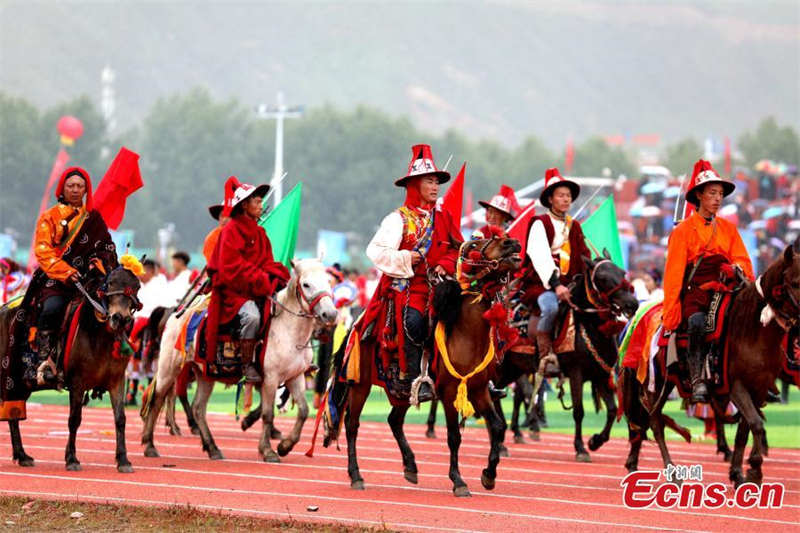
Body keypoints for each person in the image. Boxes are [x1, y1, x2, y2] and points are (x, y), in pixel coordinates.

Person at [364, 144, 463, 402]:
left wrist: (447, 264)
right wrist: (407, 257)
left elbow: (457, 249)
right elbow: (375, 251)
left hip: (441, 284)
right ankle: (414, 377)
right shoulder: (398, 219)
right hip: (410, 286)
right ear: (414, 185)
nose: (435, 187)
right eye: (429, 181)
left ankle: (470, 374)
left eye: (436, 182)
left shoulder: (445, 218)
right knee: (415, 320)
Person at [663, 160, 754, 402]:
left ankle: (756, 376)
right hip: (697, 292)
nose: (718, 199)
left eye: (721, 194)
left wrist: (736, 268)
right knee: (696, 321)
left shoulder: (729, 229)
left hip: (726, 289)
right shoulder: (682, 232)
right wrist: (671, 313)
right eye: (712, 193)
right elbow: (673, 276)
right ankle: (697, 379)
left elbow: (744, 262)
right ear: (699, 195)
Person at [27, 167, 117, 387]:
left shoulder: (94, 218)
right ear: (62, 188)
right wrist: (66, 272)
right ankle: (44, 361)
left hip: (88, 282)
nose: (75, 190)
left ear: (86, 190)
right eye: (71, 186)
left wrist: (101, 264)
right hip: (56, 281)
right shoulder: (49, 217)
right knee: (53, 308)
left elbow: (107, 248)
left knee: (111, 309)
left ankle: (108, 363)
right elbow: (43, 251)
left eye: (79, 186)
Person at [205, 180, 290, 383]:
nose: (261, 205)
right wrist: (260, 278)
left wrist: (273, 275)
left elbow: (268, 261)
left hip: (259, 288)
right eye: (258, 201)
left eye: (262, 202)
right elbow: (231, 267)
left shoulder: (260, 232)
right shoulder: (231, 231)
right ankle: (246, 364)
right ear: (244, 205)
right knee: (252, 316)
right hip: (235, 293)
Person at [522, 167, 591, 386]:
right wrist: (556, 285)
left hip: (571, 286)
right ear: (550, 199)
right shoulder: (539, 223)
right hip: (543, 286)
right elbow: (540, 257)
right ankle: (546, 356)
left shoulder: (575, 226)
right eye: (561, 195)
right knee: (550, 307)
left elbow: (584, 256)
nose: (566, 199)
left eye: (568, 196)